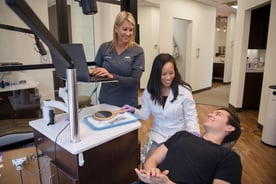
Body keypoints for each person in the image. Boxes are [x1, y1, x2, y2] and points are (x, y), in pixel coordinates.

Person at [134, 107, 242, 184]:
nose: (210, 114)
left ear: (230, 128)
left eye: (218, 114)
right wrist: (151, 172)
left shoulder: (229, 158)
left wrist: (166, 183)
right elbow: (153, 159)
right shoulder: (182, 135)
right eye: (212, 113)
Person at [122, 53, 199, 158]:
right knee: (148, 163)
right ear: (156, 74)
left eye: (171, 73)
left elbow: (191, 116)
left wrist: (193, 133)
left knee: (174, 164)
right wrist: (133, 111)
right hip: (158, 135)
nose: (168, 77)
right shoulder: (149, 92)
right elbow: (145, 115)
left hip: (179, 136)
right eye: (164, 74)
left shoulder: (184, 91)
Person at [89, 11, 145, 107]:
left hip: (127, 104)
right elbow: (98, 71)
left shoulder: (137, 51)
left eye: (131, 30)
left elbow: (134, 81)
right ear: (116, 28)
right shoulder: (104, 47)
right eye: (125, 29)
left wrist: (112, 76)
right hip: (106, 100)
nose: (128, 33)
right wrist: (92, 72)